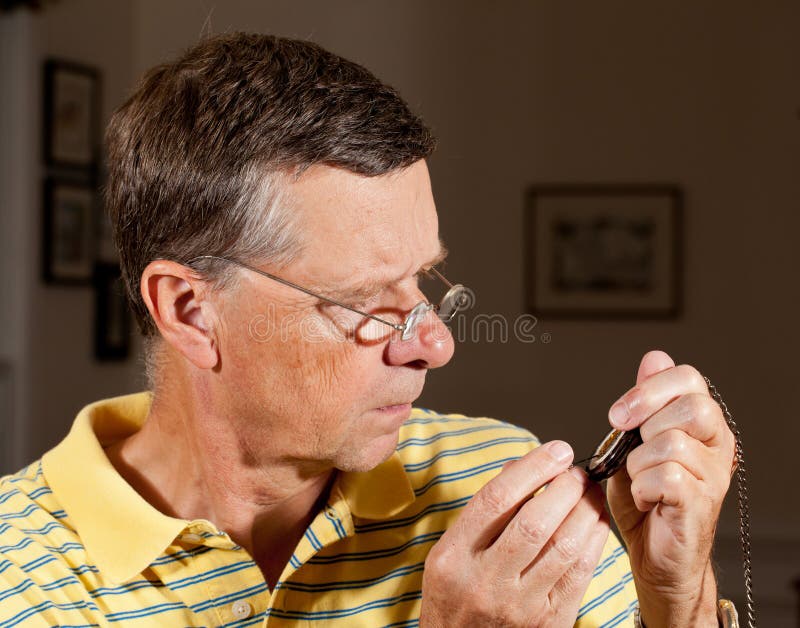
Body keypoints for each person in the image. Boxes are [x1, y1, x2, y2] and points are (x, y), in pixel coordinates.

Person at [0, 33, 736, 627]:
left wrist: (678, 605)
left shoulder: (501, 493)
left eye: (424, 280)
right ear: (191, 311)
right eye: (362, 301)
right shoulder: (16, 580)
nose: (436, 345)